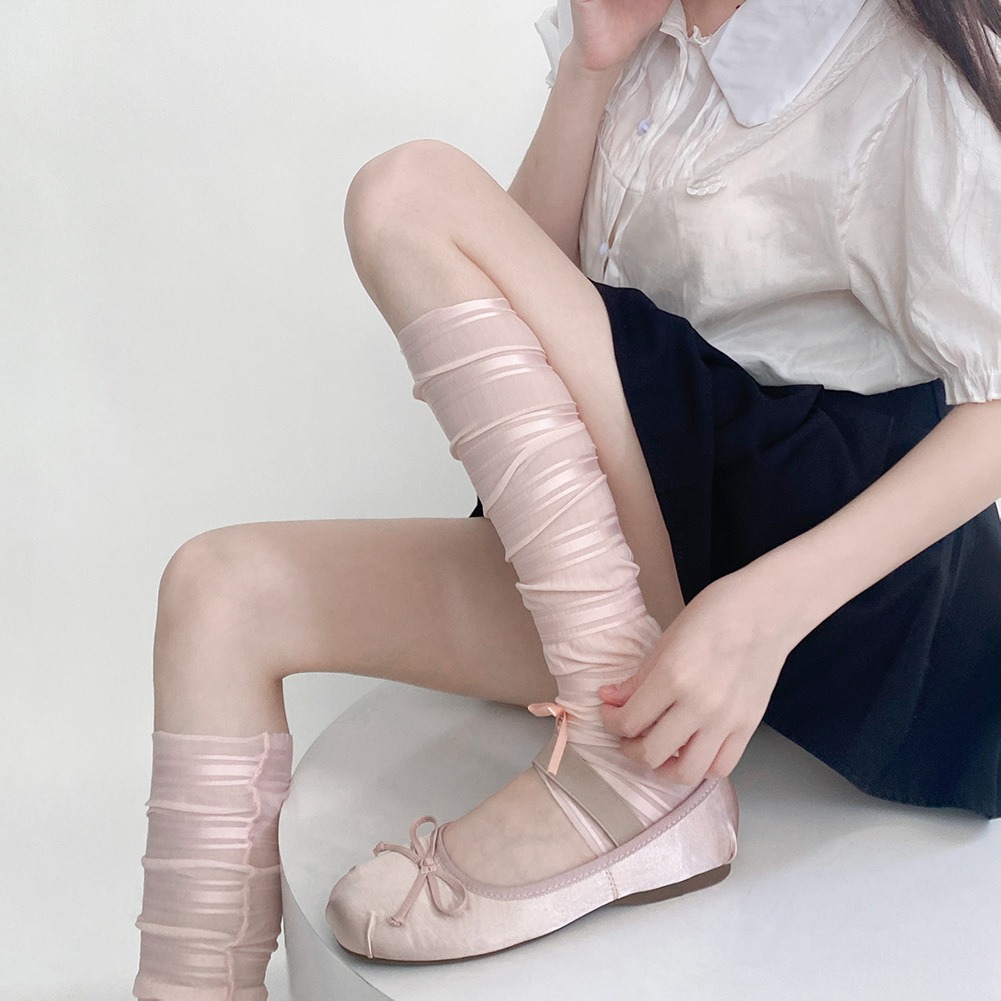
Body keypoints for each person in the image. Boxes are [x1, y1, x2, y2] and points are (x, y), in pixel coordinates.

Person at [133, 0, 1001, 992]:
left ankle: (627, 774)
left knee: (409, 189)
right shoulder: (640, 32)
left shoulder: (895, 75)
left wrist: (765, 610)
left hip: (827, 582)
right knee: (218, 592)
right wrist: (591, 69)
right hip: (633, 563)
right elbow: (512, 299)